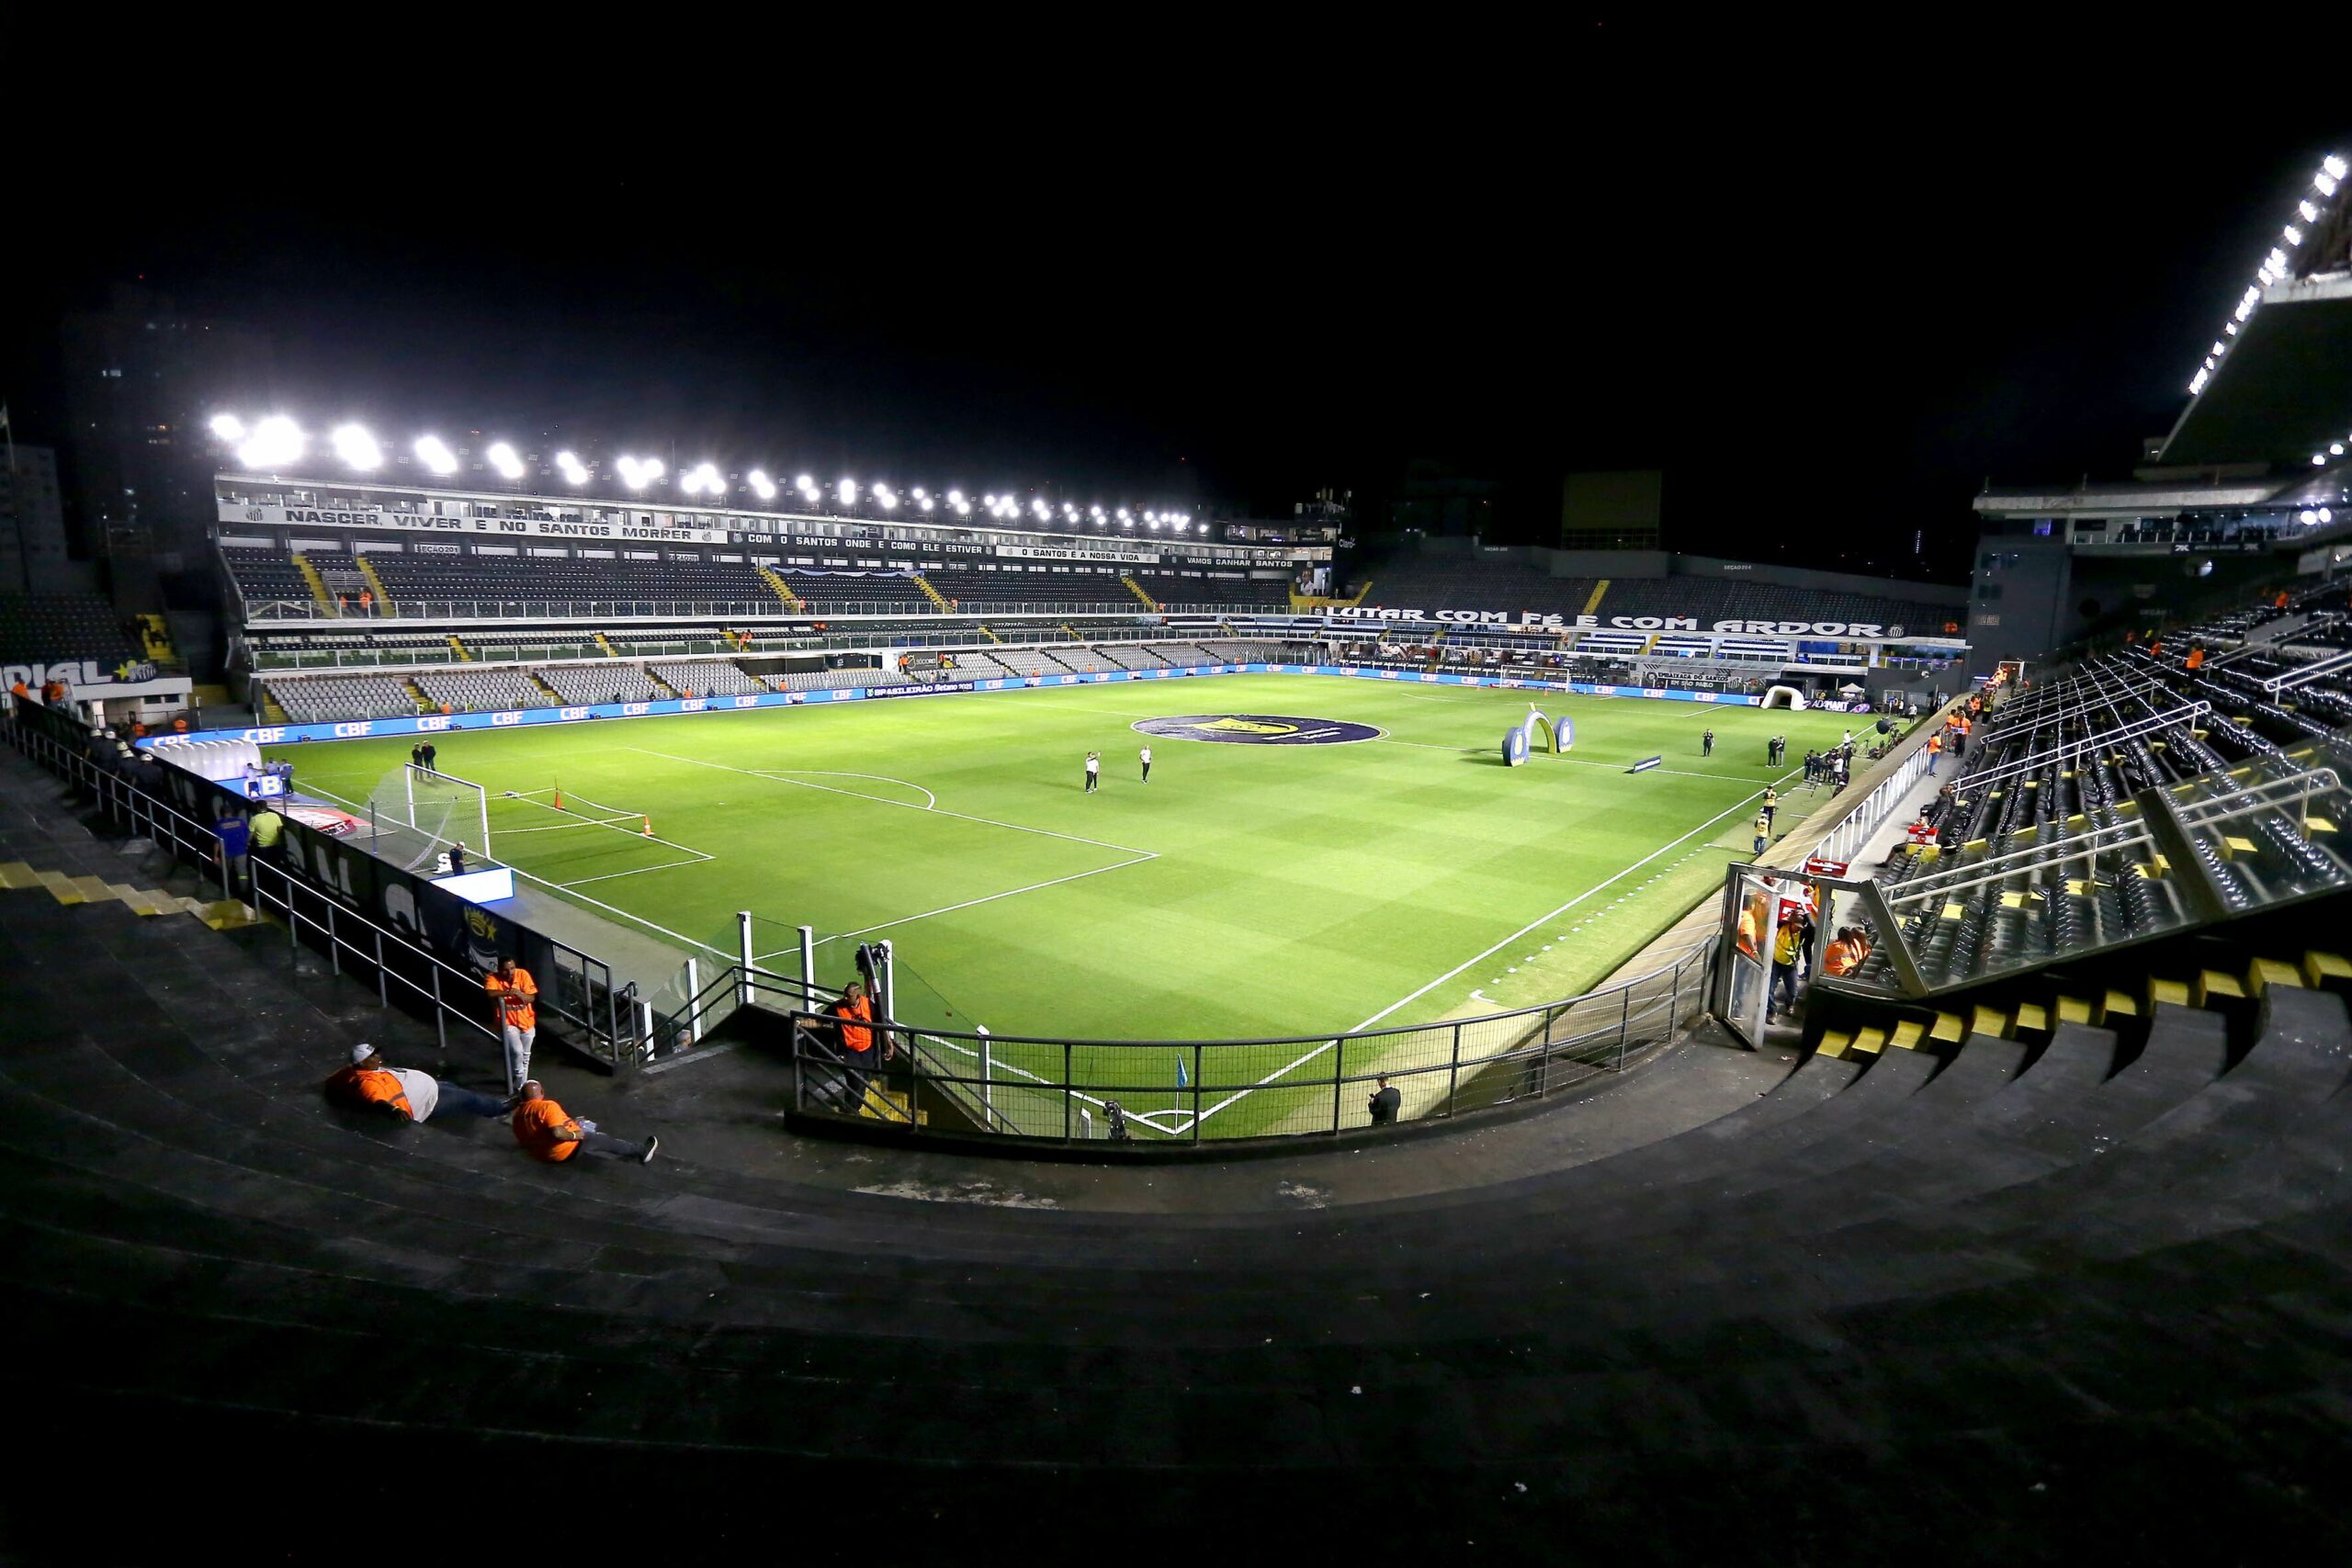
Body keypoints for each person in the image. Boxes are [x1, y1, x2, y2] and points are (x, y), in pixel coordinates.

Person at [324, 1043, 511, 1125]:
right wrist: (393, 1110)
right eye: (372, 1056)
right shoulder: (367, 1082)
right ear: (361, 1063)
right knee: (467, 1099)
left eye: (376, 1053)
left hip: (428, 1088)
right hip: (424, 1104)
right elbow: (376, 1100)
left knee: (452, 1087)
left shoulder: (353, 1071)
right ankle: (501, 1108)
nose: (377, 1057)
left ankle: (488, 1109)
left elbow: (334, 1081)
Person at [511, 1081, 657, 1164]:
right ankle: (642, 1151)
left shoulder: (517, 1116)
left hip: (541, 1154)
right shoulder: (547, 1106)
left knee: (585, 1129)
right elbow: (557, 1132)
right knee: (601, 1139)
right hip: (565, 1150)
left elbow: (525, 1140)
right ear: (542, 1092)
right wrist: (576, 1135)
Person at [485, 955, 539, 1092]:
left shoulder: (523, 975)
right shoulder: (493, 978)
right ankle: (520, 1081)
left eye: (512, 968)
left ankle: (521, 1086)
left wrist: (520, 995)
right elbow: (490, 993)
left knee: (525, 1055)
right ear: (499, 969)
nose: (510, 972)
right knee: (517, 1052)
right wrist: (508, 992)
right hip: (508, 1022)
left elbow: (531, 997)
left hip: (526, 1021)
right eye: (506, 970)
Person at [827, 980, 878, 1111]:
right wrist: (801, 1022)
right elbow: (820, 1019)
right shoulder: (837, 1007)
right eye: (845, 994)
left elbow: (880, 1024)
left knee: (862, 1082)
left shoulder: (868, 1004)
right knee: (855, 1080)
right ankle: (850, 1109)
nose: (845, 998)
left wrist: (888, 1043)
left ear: (857, 995)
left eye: (848, 996)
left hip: (867, 1051)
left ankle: (855, 1108)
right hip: (849, 1051)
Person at [1770, 910, 1806, 1019]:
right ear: (1791, 922)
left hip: (1790, 965)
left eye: (1800, 927)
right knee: (1770, 989)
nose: (1798, 929)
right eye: (1796, 926)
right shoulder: (1782, 926)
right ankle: (1772, 1011)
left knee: (1792, 990)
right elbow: (1774, 914)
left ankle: (1790, 1005)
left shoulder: (1802, 933)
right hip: (1776, 962)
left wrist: (1805, 912)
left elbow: (1813, 927)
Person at [215, 806, 251, 893]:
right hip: (241, 851)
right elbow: (248, 834)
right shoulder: (241, 822)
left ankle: (228, 888)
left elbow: (217, 841)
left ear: (222, 814)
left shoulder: (219, 824)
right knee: (242, 872)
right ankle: (244, 890)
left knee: (228, 870)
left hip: (227, 852)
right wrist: (246, 844)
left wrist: (215, 855)